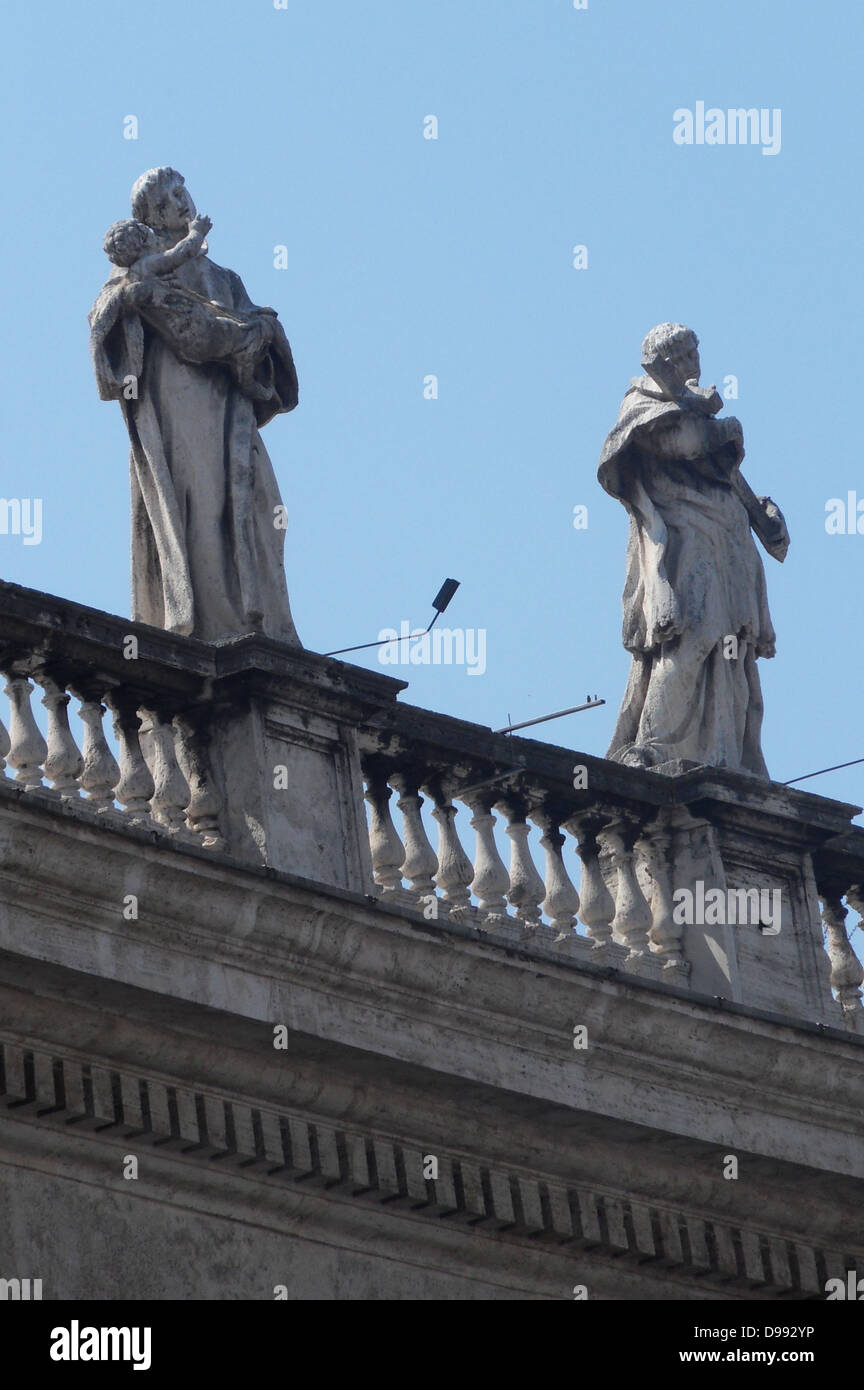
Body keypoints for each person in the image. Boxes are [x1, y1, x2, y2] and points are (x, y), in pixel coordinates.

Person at [89, 167, 300, 643]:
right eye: (172, 196)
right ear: (152, 214)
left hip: (231, 409)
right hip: (178, 404)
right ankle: (210, 631)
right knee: (196, 504)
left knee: (260, 508)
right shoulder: (132, 274)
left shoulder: (224, 279)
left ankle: (259, 621)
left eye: (185, 190)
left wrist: (257, 333)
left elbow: (256, 333)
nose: (184, 202)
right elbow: (106, 326)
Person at [597, 323, 789, 777]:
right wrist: (723, 429)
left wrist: (767, 512)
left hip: (728, 541)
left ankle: (728, 754)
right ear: (664, 362)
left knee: (734, 649)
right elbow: (677, 442)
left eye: (696, 352)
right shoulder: (643, 405)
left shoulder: (694, 408)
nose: (695, 362)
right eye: (685, 355)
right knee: (693, 635)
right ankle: (655, 744)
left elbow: (730, 478)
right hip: (685, 541)